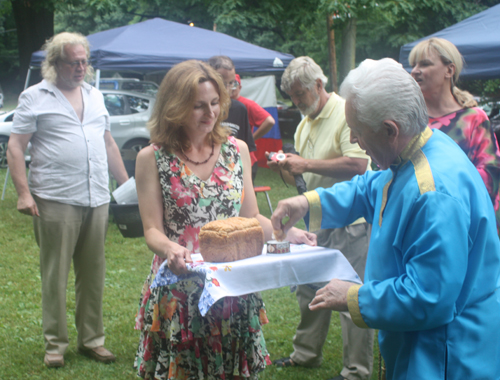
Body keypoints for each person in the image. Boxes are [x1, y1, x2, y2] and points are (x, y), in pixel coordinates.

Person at [271, 57, 500, 380]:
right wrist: (306, 203)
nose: (353, 139)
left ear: (391, 130)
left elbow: (428, 297)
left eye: (358, 131)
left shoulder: (433, 194)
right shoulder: (415, 149)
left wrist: (353, 296)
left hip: (446, 354)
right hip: (423, 343)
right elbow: (369, 188)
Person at [133, 60, 316, 380]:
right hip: (182, 287)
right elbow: (152, 229)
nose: (211, 113)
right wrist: (170, 250)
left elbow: (249, 216)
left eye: (215, 103)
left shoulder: (237, 150)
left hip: (233, 284)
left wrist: (286, 233)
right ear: (175, 107)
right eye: (198, 106)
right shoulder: (153, 157)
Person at [6, 32, 129, 368]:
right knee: (55, 274)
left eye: (84, 61)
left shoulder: (95, 95)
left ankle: (92, 340)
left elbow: (109, 145)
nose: (80, 67)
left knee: (93, 273)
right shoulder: (35, 97)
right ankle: (55, 345)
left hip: (96, 198)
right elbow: (16, 147)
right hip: (55, 198)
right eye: (73, 61)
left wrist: (127, 187)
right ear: (55, 62)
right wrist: (22, 193)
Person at [267, 56, 374, 380]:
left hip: (349, 225)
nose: (296, 101)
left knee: (350, 293)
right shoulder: (304, 123)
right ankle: (306, 354)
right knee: (309, 288)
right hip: (316, 222)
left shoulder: (345, 111)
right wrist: (288, 168)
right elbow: (302, 179)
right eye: (292, 96)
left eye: (300, 93)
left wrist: (307, 164)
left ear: (318, 84)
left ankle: (356, 370)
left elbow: (359, 166)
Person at [409, 37, 500, 229]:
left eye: (424, 64)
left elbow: (490, 173)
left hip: (464, 222)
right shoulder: (409, 120)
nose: (415, 70)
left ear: (449, 70)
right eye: (413, 65)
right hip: (417, 221)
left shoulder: (474, 118)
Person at [207, 56, 259, 180]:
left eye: (231, 83)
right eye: (223, 83)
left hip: (232, 175)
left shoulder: (239, 109)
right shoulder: (201, 110)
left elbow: (246, 150)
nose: (228, 88)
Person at [231, 74, 276, 180]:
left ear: (240, 87)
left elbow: (269, 121)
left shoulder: (247, 104)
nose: (231, 87)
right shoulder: (219, 104)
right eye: (227, 83)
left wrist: (250, 139)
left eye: (234, 83)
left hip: (246, 159)